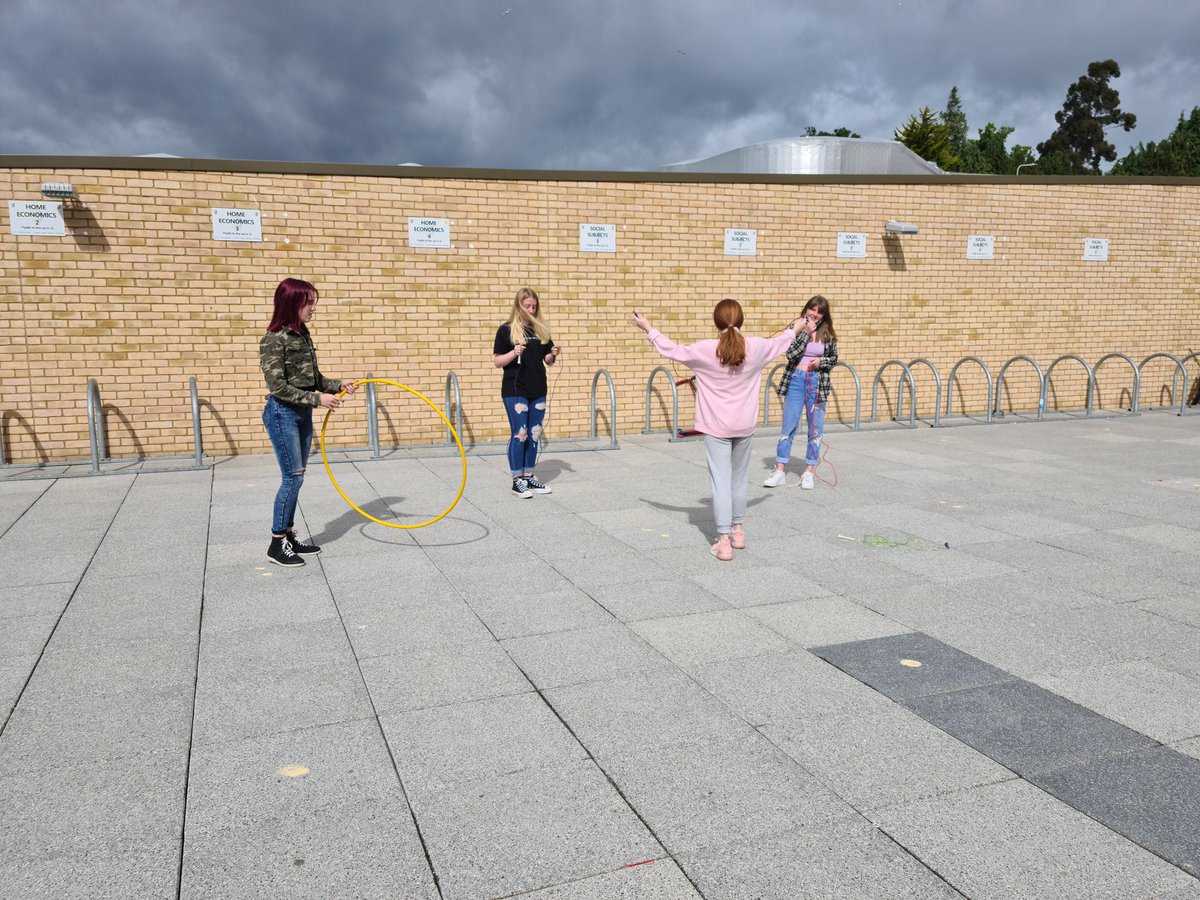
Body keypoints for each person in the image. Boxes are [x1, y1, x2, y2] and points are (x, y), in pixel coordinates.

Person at [634, 300, 796, 560]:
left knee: (721, 481)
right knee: (739, 480)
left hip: (716, 426)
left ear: (716, 321)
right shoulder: (756, 346)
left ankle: (723, 542)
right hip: (744, 425)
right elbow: (783, 341)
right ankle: (739, 532)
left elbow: (672, 350)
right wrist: (797, 326)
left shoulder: (706, 349)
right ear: (741, 320)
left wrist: (648, 328)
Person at [259, 278, 358, 566]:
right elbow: (278, 387)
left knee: (297, 477)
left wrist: (337, 385)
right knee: (292, 478)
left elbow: (312, 379)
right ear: (292, 303)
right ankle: (276, 544)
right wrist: (318, 400)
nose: (313, 308)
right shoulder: (273, 339)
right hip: (282, 414)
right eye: (309, 302)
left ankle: (288, 536)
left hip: (301, 413)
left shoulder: (302, 334)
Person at [764, 295, 838, 490]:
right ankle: (780, 470)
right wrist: (805, 333)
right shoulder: (795, 326)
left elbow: (833, 358)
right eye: (812, 310)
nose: (815, 315)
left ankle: (809, 472)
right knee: (788, 426)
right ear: (806, 309)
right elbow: (790, 354)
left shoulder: (827, 333)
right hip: (796, 379)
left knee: (815, 430)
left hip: (817, 382)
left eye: (819, 312)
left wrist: (821, 362)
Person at [493, 287, 560, 498]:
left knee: (534, 434)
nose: (531, 309)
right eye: (527, 306)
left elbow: (547, 361)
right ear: (518, 306)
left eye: (534, 306)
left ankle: (529, 476)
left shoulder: (541, 329)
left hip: (538, 388)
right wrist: (513, 352)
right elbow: (497, 361)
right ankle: (517, 481)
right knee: (519, 433)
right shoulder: (506, 330)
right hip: (515, 389)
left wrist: (553, 354)